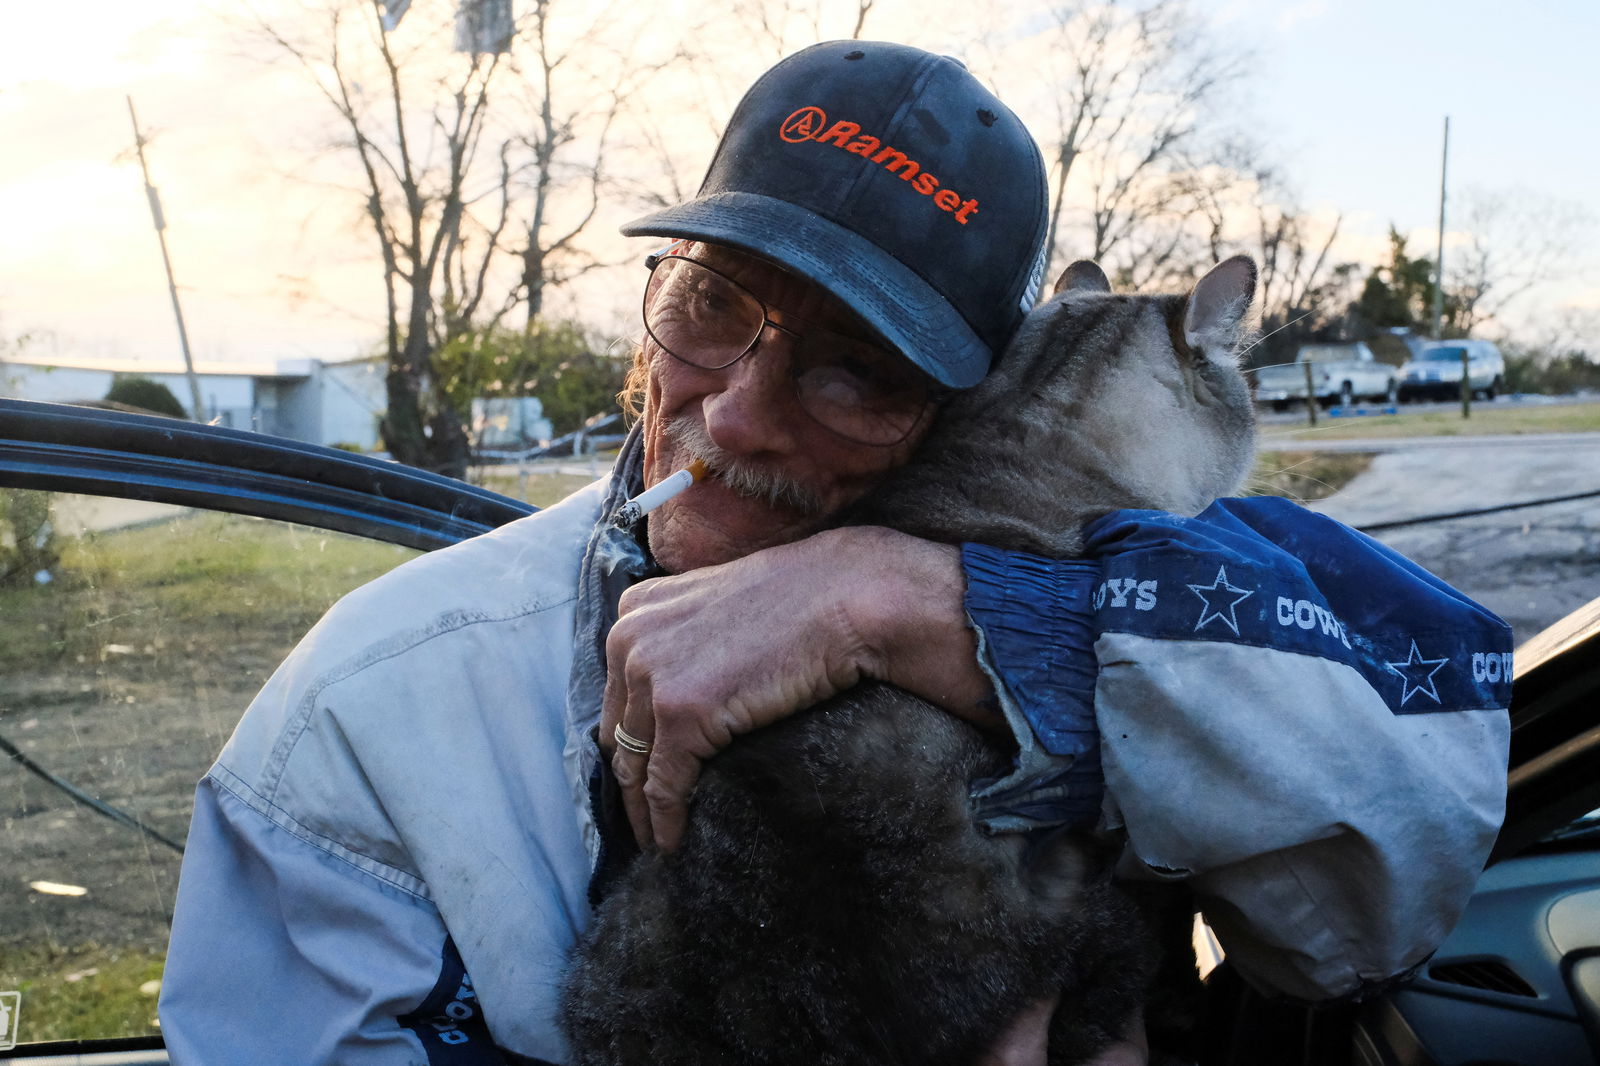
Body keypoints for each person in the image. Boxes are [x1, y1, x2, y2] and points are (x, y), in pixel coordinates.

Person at [159, 41, 1512, 1066]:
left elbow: (1400, 868)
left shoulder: (1105, 595)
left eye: (854, 370)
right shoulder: (369, 705)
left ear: (968, 405)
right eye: (710, 301)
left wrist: (944, 610)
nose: (736, 410)